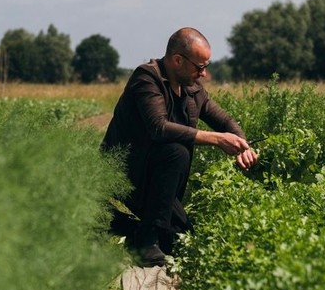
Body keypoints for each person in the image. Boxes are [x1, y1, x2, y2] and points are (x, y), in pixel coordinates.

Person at [102, 27, 258, 266]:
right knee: (177, 150)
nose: (204, 74)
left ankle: (135, 231)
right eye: (200, 67)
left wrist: (242, 145)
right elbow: (159, 128)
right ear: (177, 60)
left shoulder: (193, 89)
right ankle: (145, 241)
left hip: (158, 183)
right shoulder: (147, 78)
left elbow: (225, 120)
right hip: (128, 172)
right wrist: (217, 139)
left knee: (181, 236)